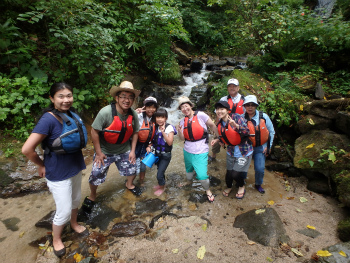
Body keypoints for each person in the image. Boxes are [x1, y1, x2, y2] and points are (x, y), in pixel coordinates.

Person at [22, 82, 88, 258]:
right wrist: (41, 165)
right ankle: (57, 238)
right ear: (52, 98)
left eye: (69, 96)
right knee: (64, 209)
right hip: (58, 172)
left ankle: (74, 224)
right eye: (61, 96)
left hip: (74, 166)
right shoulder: (48, 120)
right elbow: (27, 149)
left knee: (75, 200)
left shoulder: (71, 115)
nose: (66, 100)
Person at [81, 81, 141, 214]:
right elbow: (94, 131)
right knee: (96, 174)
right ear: (117, 98)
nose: (127, 100)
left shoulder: (133, 114)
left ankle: (129, 185)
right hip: (105, 151)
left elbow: (136, 132)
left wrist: (132, 151)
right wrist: (98, 152)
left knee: (132, 168)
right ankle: (92, 195)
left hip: (124, 148)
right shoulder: (105, 112)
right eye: (123, 96)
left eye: (130, 97)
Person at [176, 96, 219, 202]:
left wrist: (218, 137)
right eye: (182, 107)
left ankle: (207, 190)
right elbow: (182, 139)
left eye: (186, 106)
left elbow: (212, 125)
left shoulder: (200, 115)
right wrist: (180, 132)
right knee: (189, 170)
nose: (184, 109)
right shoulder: (182, 122)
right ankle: (189, 182)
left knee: (202, 175)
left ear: (190, 106)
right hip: (187, 150)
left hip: (201, 149)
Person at [211, 100, 253, 199]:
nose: (219, 111)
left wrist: (236, 125)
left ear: (227, 110)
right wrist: (217, 140)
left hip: (243, 151)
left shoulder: (237, 117)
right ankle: (229, 187)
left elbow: (247, 132)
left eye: (222, 109)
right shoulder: (220, 123)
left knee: (235, 174)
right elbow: (224, 135)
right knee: (229, 174)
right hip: (231, 151)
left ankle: (242, 186)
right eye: (217, 109)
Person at [243, 95, 275, 194]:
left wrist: (268, 147)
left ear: (256, 106)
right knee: (242, 166)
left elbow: (271, 132)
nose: (250, 107)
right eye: (248, 105)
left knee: (260, 169)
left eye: (253, 105)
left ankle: (258, 184)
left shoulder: (264, 117)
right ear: (245, 106)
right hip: (246, 147)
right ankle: (241, 182)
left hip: (260, 147)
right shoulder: (241, 118)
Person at [209, 78, 245, 161]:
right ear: (227, 88)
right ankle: (213, 155)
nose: (232, 88)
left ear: (238, 88)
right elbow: (218, 114)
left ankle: (241, 158)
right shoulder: (223, 99)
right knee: (217, 139)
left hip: (237, 125)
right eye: (230, 86)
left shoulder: (244, 100)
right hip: (223, 124)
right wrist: (216, 126)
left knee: (238, 141)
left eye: (234, 86)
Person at [146, 108, 176, 196]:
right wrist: (149, 146)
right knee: (160, 171)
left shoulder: (169, 127)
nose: (159, 119)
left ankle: (162, 188)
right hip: (158, 154)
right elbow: (154, 141)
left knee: (159, 174)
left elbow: (170, 142)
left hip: (165, 155)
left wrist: (163, 132)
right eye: (158, 117)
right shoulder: (156, 127)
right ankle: (161, 184)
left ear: (165, 118)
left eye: (162, 117)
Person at [135, 96, 158, 186]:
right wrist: (134, 113)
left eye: (153, 107)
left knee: (143, 164)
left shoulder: (156, 118)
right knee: (134, 165)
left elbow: (155, 134)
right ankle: (130, 180)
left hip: (147, 144)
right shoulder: (139, 116)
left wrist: (150, 145)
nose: (151, 109)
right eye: (148, 107)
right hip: (136, 144)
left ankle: (141, 181)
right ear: (145, 107)